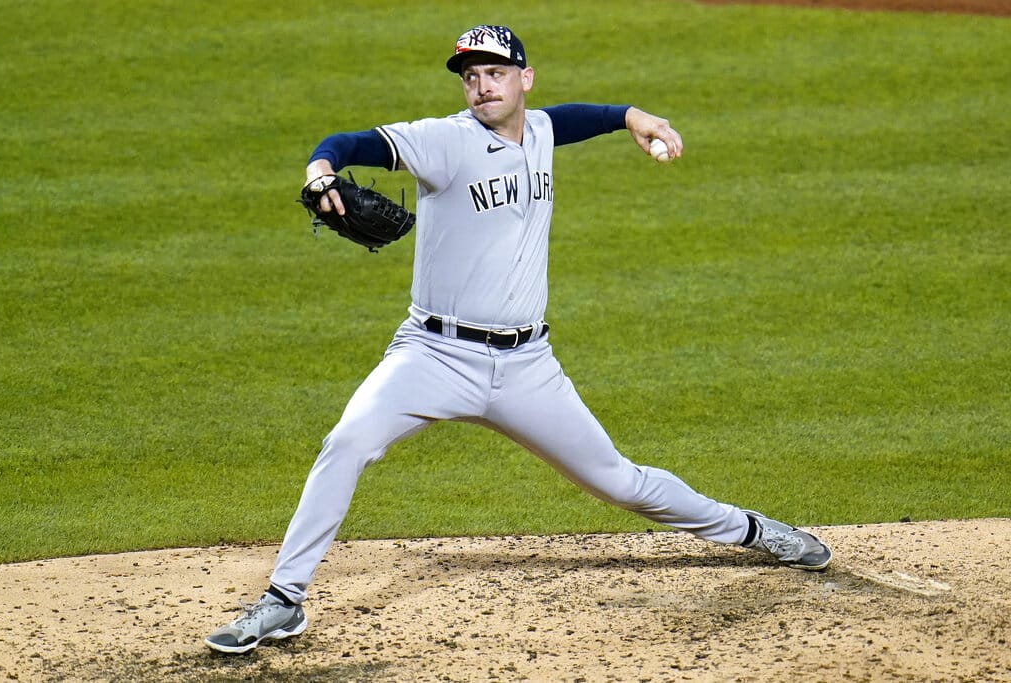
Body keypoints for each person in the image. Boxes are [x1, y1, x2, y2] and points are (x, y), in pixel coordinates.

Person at [204, 24, 832, 655]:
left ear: (523, 79)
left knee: (620, 482)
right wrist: (320, 169)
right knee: (346, 443)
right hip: (433, 355)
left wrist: (633, 118)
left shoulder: (539, 131)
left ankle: (754, 531)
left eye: (496, 73)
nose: (482, 86)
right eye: (471, 75)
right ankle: (284, 601)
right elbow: (348, 143)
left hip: (528, 365)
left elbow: (574, 118)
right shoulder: (443, 142)